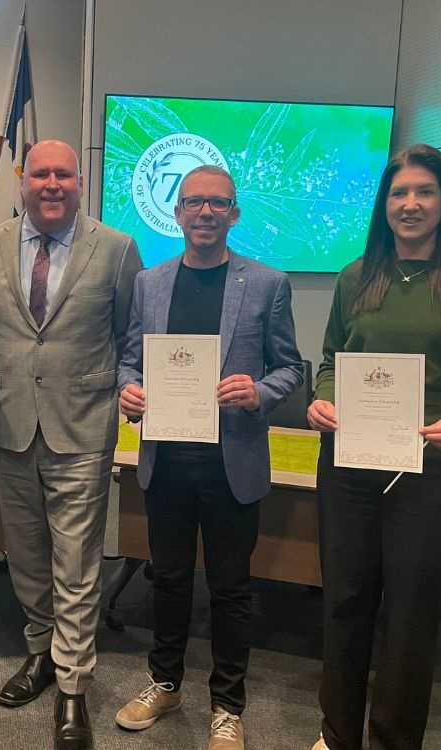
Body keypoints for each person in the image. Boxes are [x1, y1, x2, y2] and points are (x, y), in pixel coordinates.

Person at [306, 145, 441, 750]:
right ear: (384, 204)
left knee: (410, 618)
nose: (410, 204)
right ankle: (338, 733)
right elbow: (329, 362)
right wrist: (321, 400)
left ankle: (394, 740)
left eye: (424, 191)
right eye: (399, 193)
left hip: (434, 473)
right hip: (350, 468)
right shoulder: (357, 276)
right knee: (344, 605)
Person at [115, 166, 303, 750]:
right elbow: (128, 360)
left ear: (234, 214)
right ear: (177, 213)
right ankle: (165, 682)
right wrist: (128, 390)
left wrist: (260, 393)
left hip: (232, 463)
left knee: (230, 588)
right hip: (166, 462)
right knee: (167, 580)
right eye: (193, 202)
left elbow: (291, 368)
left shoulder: (267, 283)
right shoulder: (150, 282)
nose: (204, 212)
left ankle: (227, 705)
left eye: (217, 203)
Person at [0, 139, 142, 750]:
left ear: (80, 180)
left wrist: (130, 388)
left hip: (83, 425)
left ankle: (73, 685)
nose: (51, 184)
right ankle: (40, 652)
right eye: (40, 173)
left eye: (62, 174)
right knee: (26, 552)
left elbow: (131, 336)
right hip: (11, 423)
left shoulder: (116, 249)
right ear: (22, 181)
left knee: (77, 561)